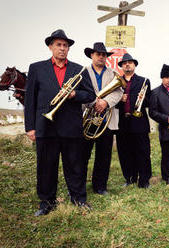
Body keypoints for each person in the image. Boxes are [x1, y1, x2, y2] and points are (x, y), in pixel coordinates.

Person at [24, 29, 95, 216]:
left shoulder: (79, 69)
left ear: (69, 49)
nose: (62, 48)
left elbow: (90, 95)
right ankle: (47, 202)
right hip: (45, 126)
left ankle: (78, 199)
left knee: (75, 165)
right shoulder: (36, 68)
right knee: (46, 166)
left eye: (65, 45)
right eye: (58, 45)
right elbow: (30, 100)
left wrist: (74, 94)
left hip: (71, 126)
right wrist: (30, 127)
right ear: (50, 47)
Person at [81, 42, 124, 195]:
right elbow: (79, 91)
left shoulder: (113, 73)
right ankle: (79, 186)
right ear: (91, 55)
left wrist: (106, 102)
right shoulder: (83, 72)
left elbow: (119, 93)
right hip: (87, 119)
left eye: (103, 54)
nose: (101, 56)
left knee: (104, 155)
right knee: (82, 155)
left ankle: (100, 186)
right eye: (98, 54)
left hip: (106, 121)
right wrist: (94, 102)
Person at [116, 53, 152, 188]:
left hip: (139, 121)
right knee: (125, 151)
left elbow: (150, 102)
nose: (127, 64)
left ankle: (144, 180)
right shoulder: (117, 81)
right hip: (122, 122)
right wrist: (120, 100)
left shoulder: (144, 81)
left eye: (130, 62)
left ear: (134, 65)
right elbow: (111, 102)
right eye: (124, 63)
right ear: (121, 67)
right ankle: (129, 178)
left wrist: (143, 98)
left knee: (142, 151)